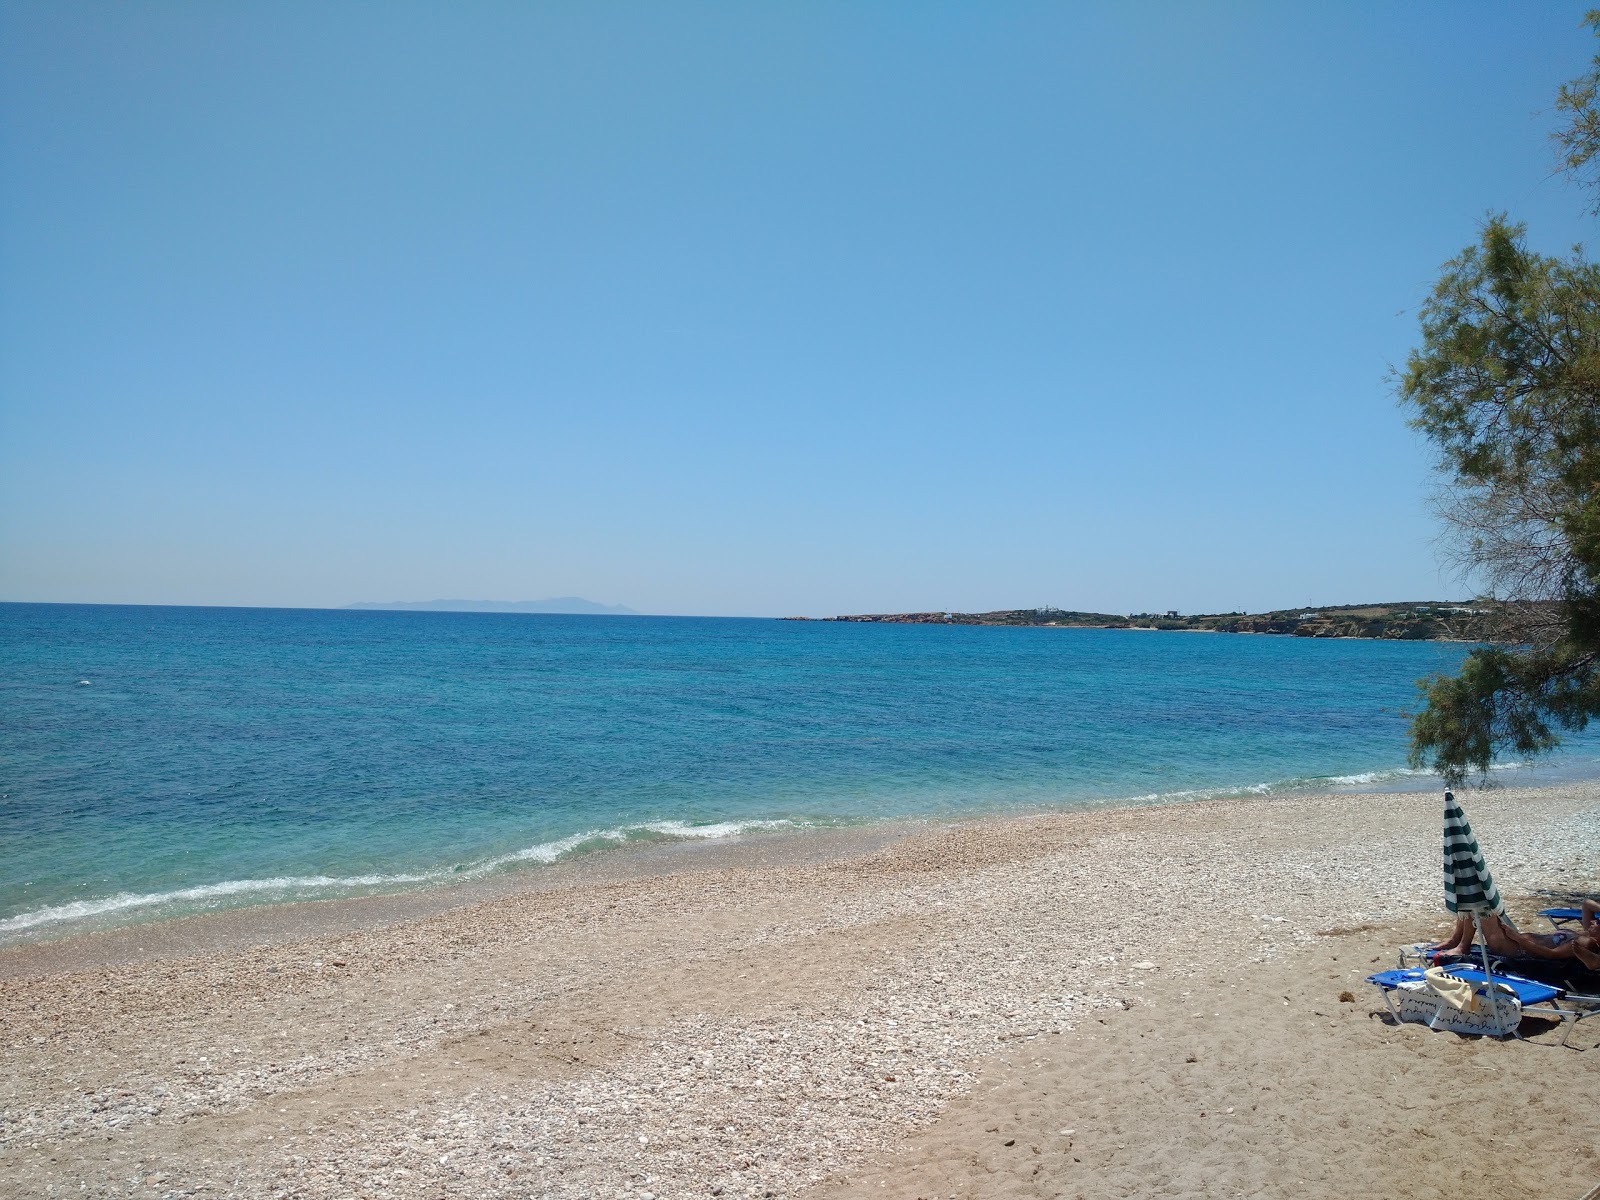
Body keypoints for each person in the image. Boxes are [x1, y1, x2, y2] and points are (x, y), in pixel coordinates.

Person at [1429, 908, 1600, 970]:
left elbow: (1550, 954)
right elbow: (1587, 904)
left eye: (1598, 922)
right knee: (1474, 900)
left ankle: (1462, 946)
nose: (1593, 921)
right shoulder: (1585, 934)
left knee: (1480, 908)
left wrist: (1517, 938)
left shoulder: (1585, 943)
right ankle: (1455, 941)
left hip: (1516, 950)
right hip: (1515, 941)